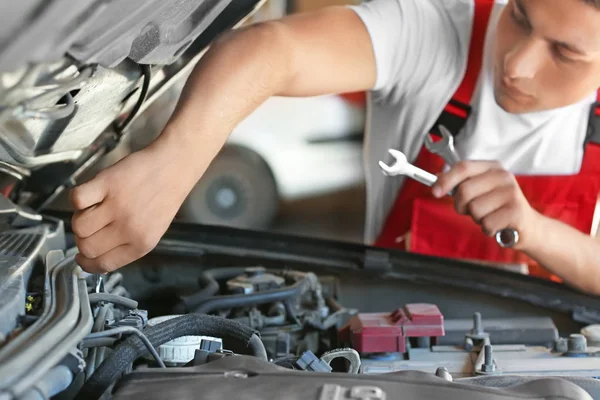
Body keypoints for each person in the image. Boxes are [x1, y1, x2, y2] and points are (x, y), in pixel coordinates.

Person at [68, 0, 600, 294]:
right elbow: (272, 49)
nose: (516, 64)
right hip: (388, 350)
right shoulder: (441, 32)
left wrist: (533, 231)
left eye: (564, 53)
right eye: (520, 18)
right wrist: (175, 160)